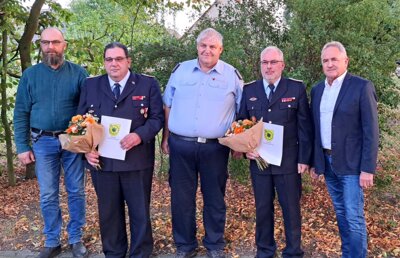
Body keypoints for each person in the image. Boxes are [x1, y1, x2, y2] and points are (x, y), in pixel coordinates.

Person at [161, 28, 243, 258]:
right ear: (197, 47)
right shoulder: (180, 71)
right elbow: (167, 104)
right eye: (203, 45)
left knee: (214, 198)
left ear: (220, 50)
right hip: (181, 145)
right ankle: (185, 246)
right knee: (181, 198)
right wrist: (166, 137)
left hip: (215, 148)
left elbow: (241, 110)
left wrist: (238, 143)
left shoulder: (232, 76)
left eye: (213, 46)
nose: (207, 50)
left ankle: (214, 244)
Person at [78, 42, 164, 258]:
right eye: (109, 59)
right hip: (102, 163)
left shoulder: (147, 84)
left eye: (118, 59)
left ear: (128, 61)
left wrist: (139, 135)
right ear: (104, 62)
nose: (113, 63)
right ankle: (114, 253)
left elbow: (157, 118)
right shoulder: (91, 85)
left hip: (137, 161)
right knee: (109, 214)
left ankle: (141, 253)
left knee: (140, 213)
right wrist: (86, 149)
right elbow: (79, 122)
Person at [13, 28, 88, 258]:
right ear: (41, 46)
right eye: (45, 43)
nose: (50, 47)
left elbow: (87, 111)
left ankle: (76, 238)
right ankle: (52, 239)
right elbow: (21, 112)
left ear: (64, 45)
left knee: (76, 191)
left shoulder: (78, 73)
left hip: (71, 140)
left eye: (55, 42)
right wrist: (23, 147)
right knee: (47, 194)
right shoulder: (30, 75)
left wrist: (82, 140)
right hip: (42, 141)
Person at [238, 46, 313, 258]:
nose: (268, 67)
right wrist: (246, 151)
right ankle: (265, 251)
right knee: (262, 208)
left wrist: (304, 159)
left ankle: (293, 252)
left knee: (290, 209)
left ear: (282, 65)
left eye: (273, 62)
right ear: (260, 65)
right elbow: (240, 123)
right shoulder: (250, 90)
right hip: (259, 161)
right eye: (265, 62)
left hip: (288, 162)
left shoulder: (295, 89)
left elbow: (304, 127)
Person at [310, 41, 379, 258]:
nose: (330, 64)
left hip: (352, 165)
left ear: (345, 61)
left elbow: (371, 130)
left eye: (334, 59)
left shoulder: (361, 87)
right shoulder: (318, 90)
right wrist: (315, 162)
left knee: (353, 216)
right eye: (325, 60)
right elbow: (315, 128)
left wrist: (368, 168)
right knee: (340, 213)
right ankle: (347, 254)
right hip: (328, 163)